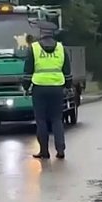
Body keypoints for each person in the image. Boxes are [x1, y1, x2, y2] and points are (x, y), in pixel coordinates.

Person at [21, 24, 71, 159]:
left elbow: (28, 71)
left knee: (41, 120)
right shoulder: (61, 48)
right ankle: (60, 150)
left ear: (41, 34)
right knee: (56, 119)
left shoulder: (34, 48)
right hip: (57, 88)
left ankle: (44, 151)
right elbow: (67, 70)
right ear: (53, 34)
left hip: (39, 88)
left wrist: (25, 87)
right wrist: (68, 86)